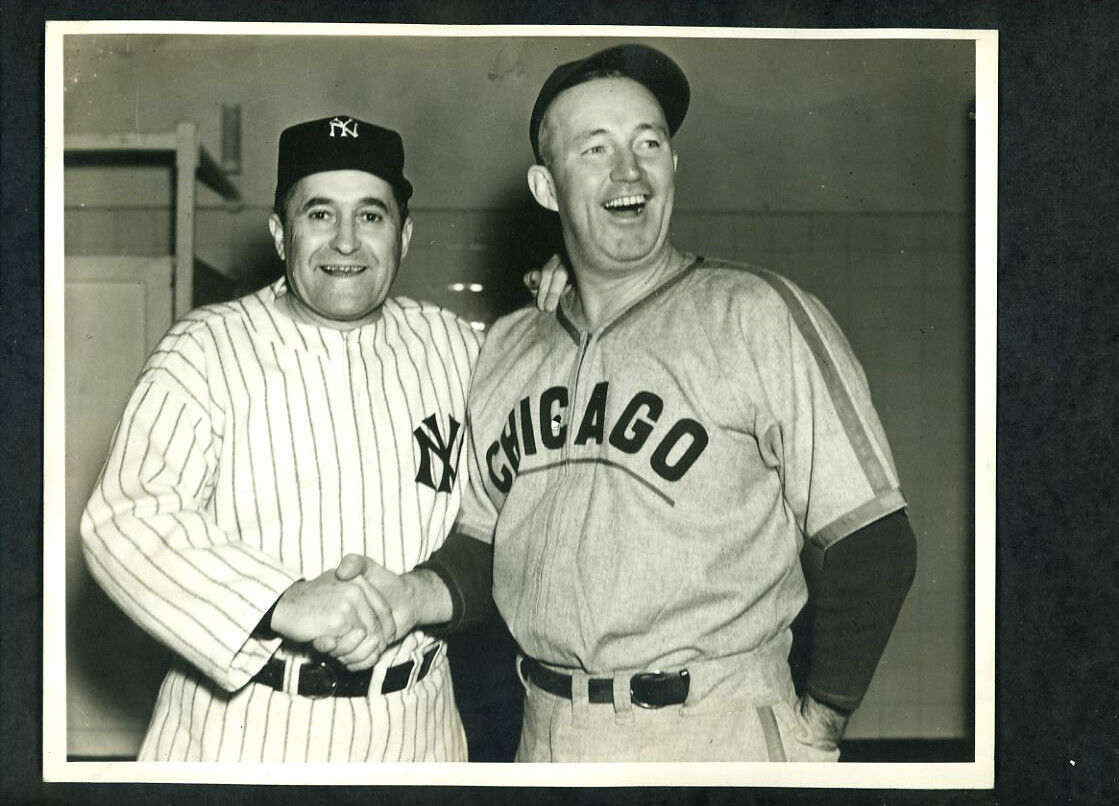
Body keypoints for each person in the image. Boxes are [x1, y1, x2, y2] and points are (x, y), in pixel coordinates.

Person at [333, 44, 918, 763]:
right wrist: (408, 597)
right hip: (545, 733)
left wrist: (821, 724)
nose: (629, 170)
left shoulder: (756, 313)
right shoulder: (512, 345)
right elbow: (487, 543)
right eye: (595, 148)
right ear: (547, 188)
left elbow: (872, 538)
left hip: (715, 724)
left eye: (649, 143)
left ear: (673, 166)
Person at [79, 114, 564, 762]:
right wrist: (282, 601)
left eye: (370, 216)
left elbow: (522, 494)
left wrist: (566, 305)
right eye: (318, 214)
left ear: (404, 234)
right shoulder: (206, 348)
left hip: (416, 730)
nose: (345, 242)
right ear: (281, 234)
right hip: (243, 728)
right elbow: (126, 515)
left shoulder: (455, 347)